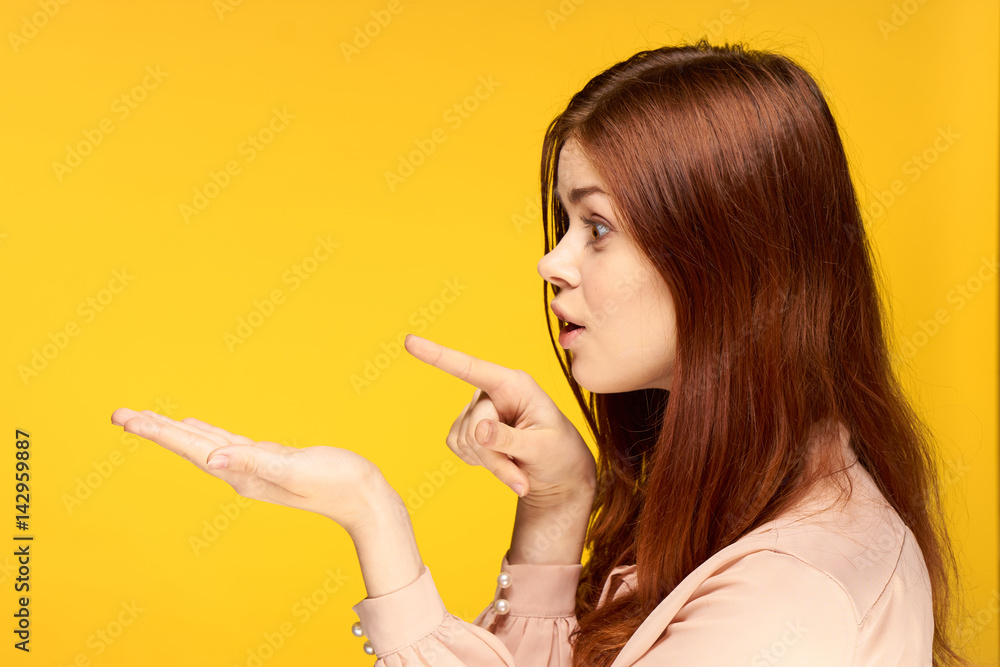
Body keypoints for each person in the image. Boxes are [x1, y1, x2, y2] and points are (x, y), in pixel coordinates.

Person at [110, 38, 967, 665]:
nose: (551, 263)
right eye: (565, 224)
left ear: (726, 256)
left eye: (597, 227)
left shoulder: (791, 597)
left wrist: (371, 514)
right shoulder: (748, 498)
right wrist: (557, 510)